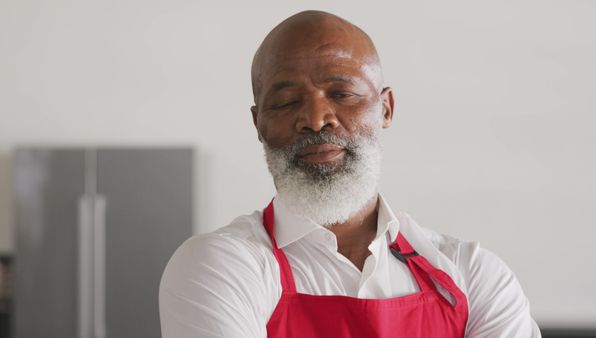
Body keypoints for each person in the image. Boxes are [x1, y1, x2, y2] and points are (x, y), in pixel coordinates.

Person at [159, 10, 541, 338]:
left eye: (342, 94)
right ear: (258, 124)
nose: (315, 119)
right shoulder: (220, 267)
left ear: (386, 109)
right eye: (287, 101)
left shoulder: (473, 275)